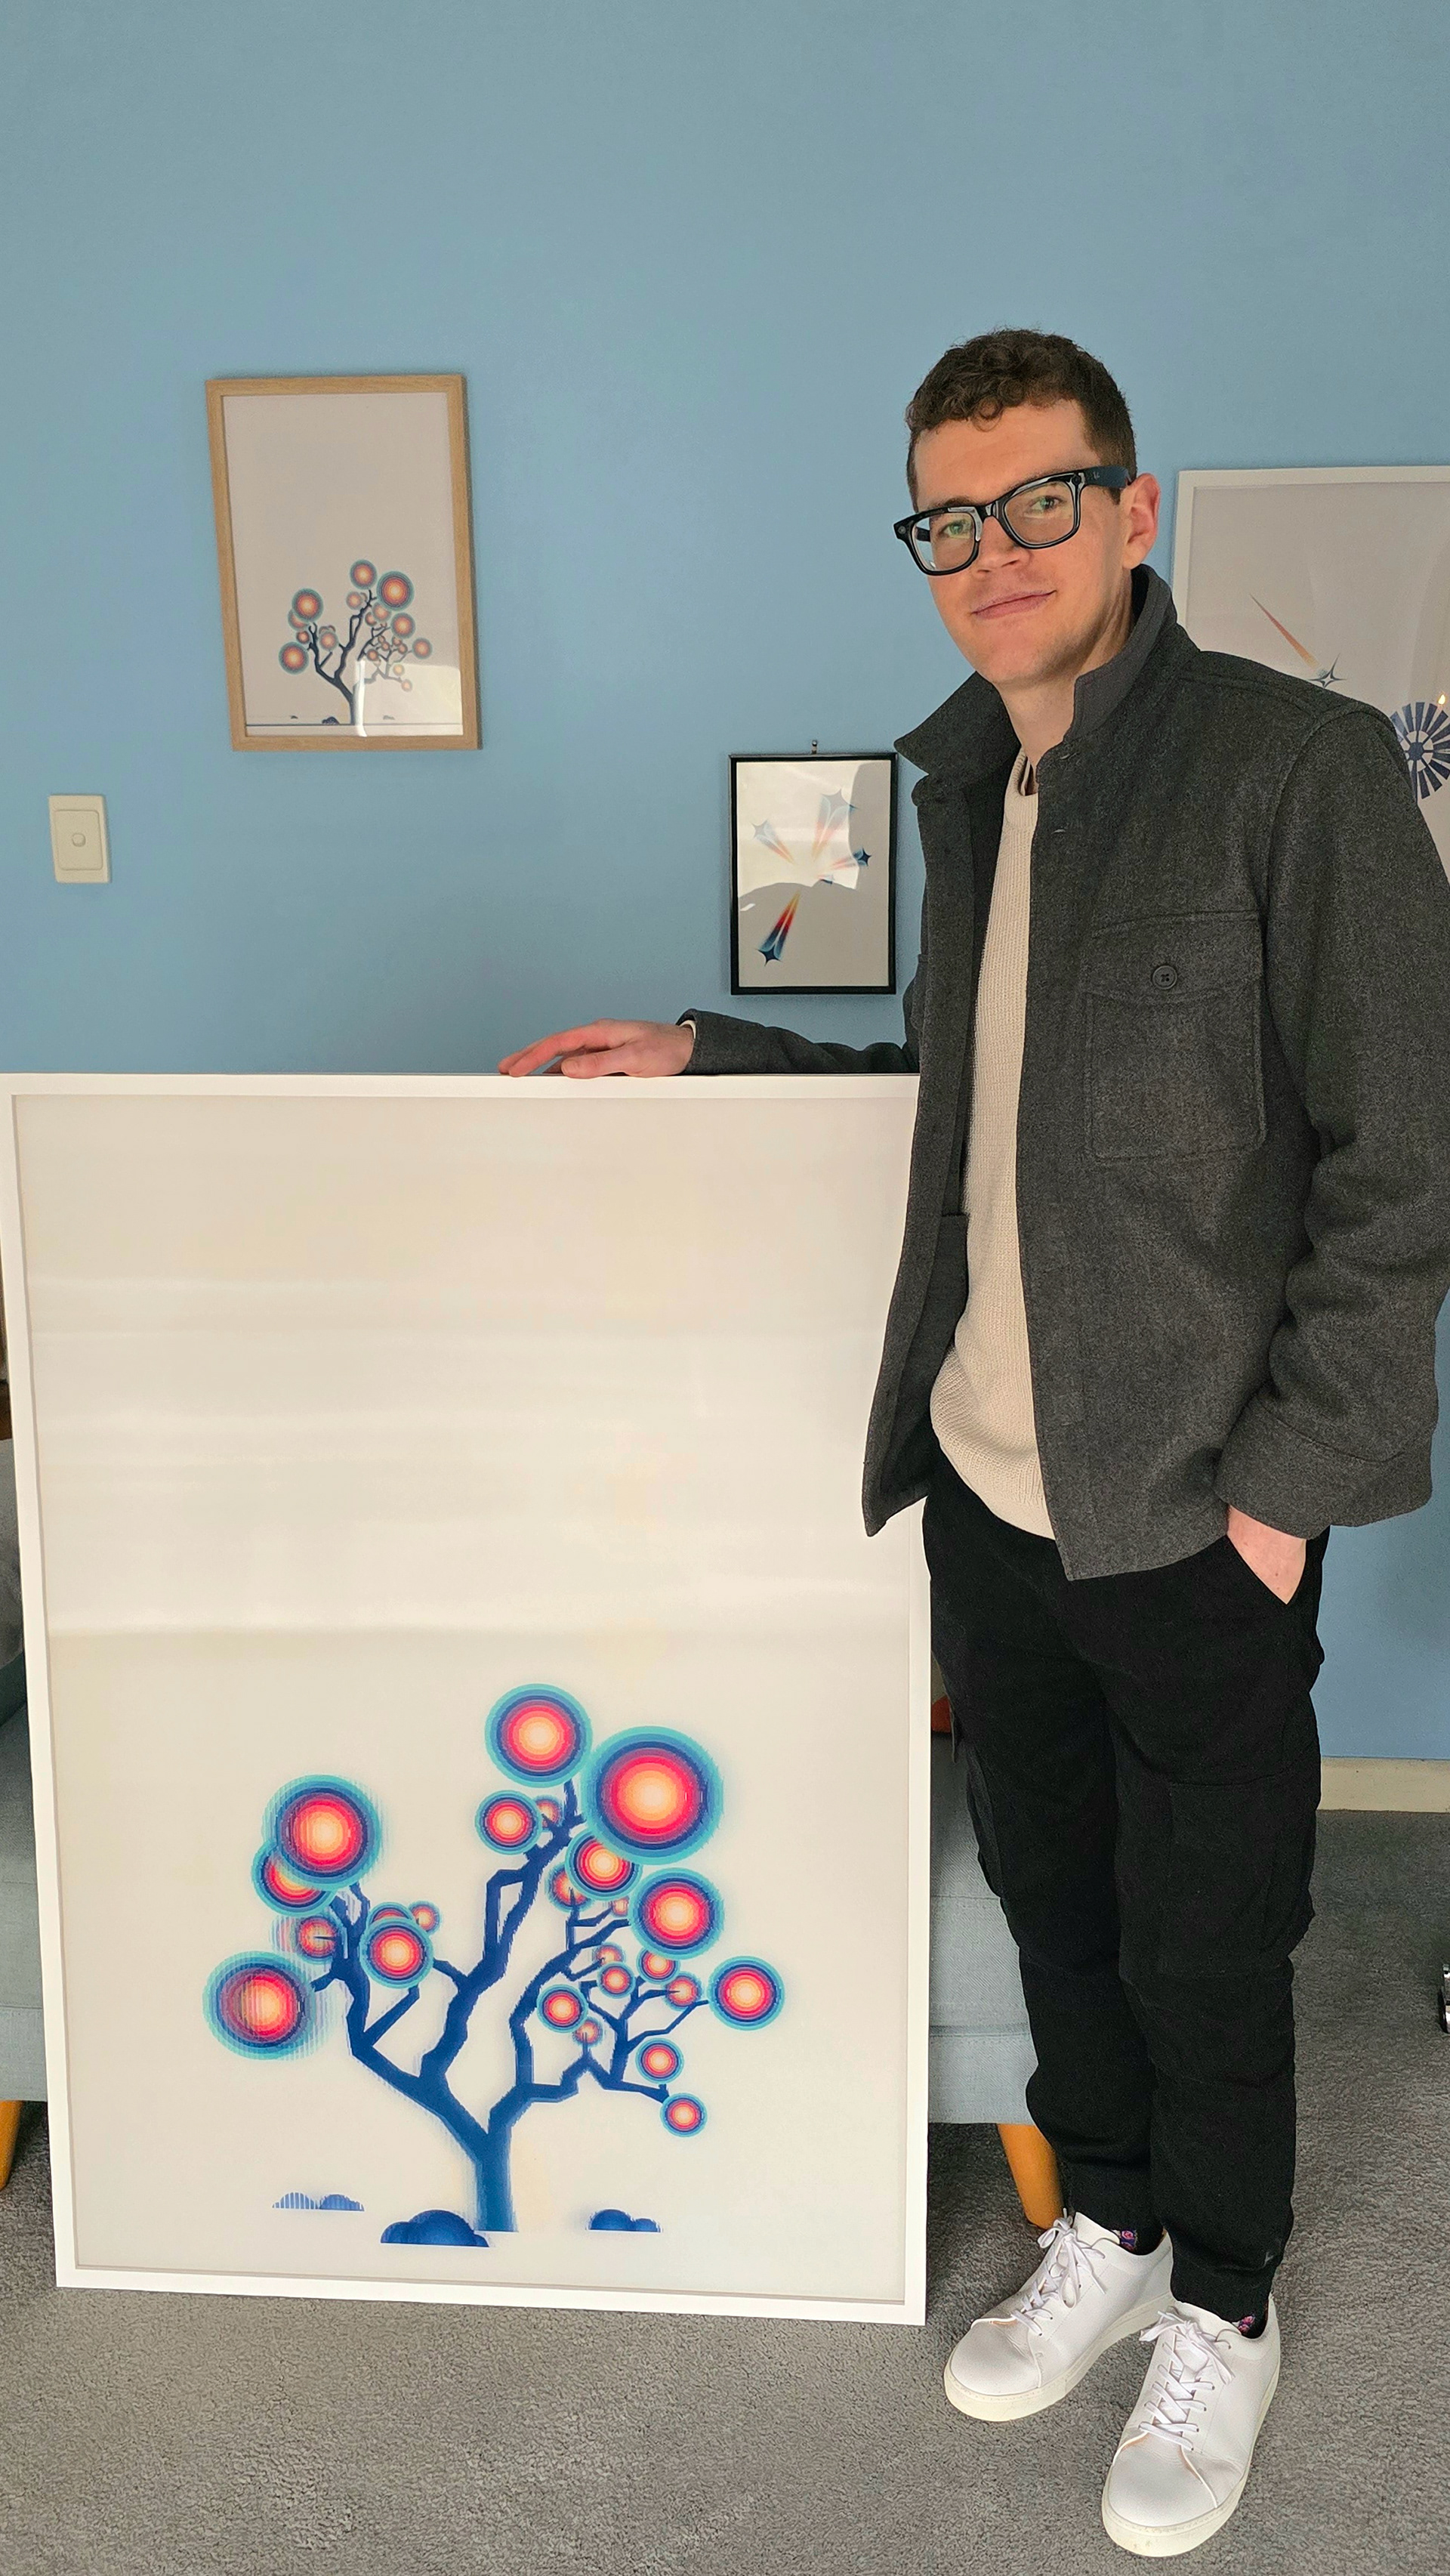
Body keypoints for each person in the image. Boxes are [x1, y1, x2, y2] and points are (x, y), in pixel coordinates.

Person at [499, 327, 1450, 2556]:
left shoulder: (1294, 772)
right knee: (1060, 1900)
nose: (997, 550)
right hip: (992, 1491)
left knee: (1215, 1928)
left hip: (1198, 1510)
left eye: (1044, 499)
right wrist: (715, 1054)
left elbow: (1409, 1163)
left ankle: (1230, 2293)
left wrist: (1285, 1502)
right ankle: (1108, 2221)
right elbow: (971, 1119)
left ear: (1134, 509)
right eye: (954, 517)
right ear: (924, 547)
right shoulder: (978, 787)